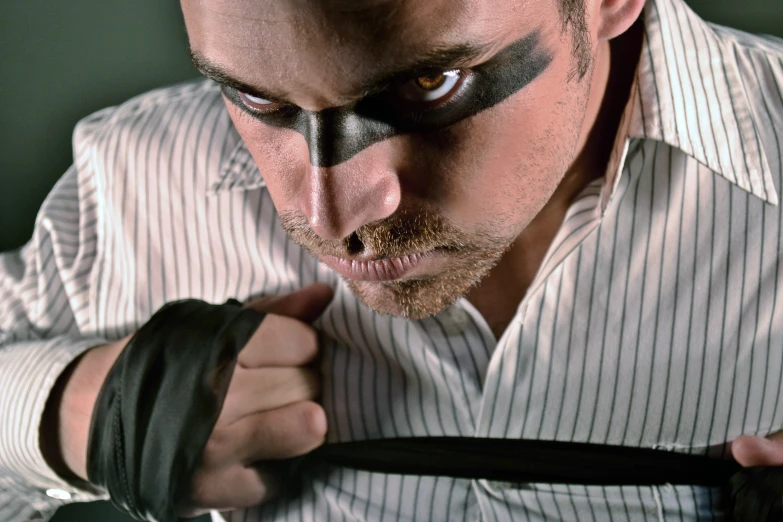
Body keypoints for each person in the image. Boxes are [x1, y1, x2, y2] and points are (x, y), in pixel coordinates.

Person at [1, 0, 783, 519]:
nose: (326, 215)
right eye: (254, 100)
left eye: (431, 84)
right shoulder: (136, 179)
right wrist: (71, 414)